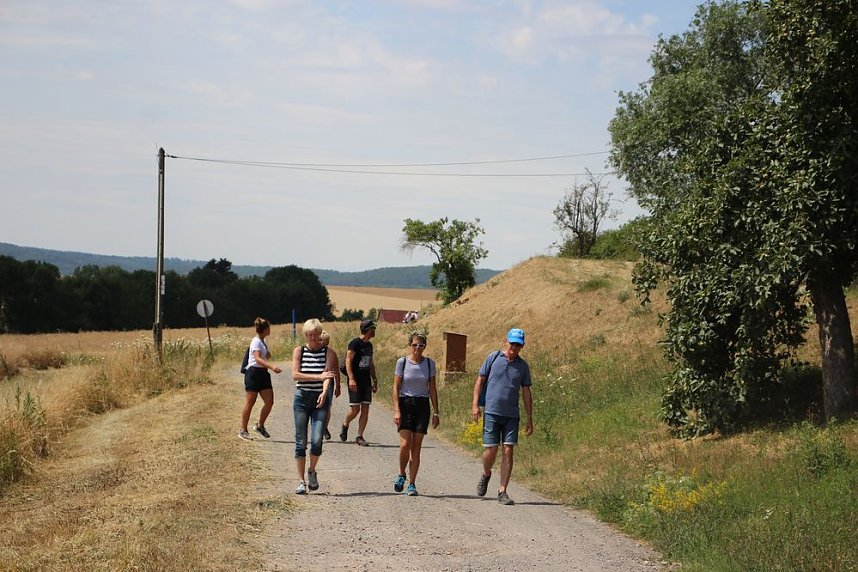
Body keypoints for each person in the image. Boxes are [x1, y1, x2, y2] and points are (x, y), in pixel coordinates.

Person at [472, 328, 533, 505]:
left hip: (511, 416)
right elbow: (480, 381)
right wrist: (475, 405)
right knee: (491, 450)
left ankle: (502, 491)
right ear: (505, 341)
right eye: (512, 343)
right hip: (491, 412)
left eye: (518, 344)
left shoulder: (522, 366)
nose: (514, 347)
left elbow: (526, 392)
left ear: (522, 346)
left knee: (508, 449)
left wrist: (530, 418)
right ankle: (486, 473)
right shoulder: (493, 358)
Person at [290, 319, 336, 494]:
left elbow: (328, 375)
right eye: (309, 334)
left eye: (315, 334)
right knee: (300, 441)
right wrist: (318, 377)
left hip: (320, 400)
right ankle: (301, 481)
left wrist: (325, 392)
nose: (312, 337)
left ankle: (312, 471)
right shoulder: (299, 351)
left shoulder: (329, 353)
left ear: (320, 334)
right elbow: (295, 375)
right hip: (302, 398)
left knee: (317, 440)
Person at [392, 333, 439, 496]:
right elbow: (396, 387)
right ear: (410, 345)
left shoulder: (429, 364)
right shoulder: (402, 362)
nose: (417, 348)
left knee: (416, 447)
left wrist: (436, 411)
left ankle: (412, 483)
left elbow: (432, 388)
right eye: (414, 345)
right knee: (405, 444)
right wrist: (396, 409)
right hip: (406, 403)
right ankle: (401, 474)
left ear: (425, 346)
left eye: (421, 345)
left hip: (422, 405)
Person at [239, 317, 282, 440]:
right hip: (254, 373)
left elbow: (265, 355)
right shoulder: (256, 341)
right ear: (265, 329)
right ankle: (243, 430)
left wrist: (267, 354)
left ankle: (260, 425)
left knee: (269, 402)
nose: (270, 329)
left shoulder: (263, 341)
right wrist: (272, 367)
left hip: (263, 374)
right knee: (250, 402)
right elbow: (257, 358)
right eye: (269, 327)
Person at [339, 318, 378, 446]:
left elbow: (370, 363)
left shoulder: (369, 345)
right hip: (355, 381)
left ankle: (360, 436)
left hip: (366, 382)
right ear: (368, 330)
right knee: (355, 410)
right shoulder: (354, 343)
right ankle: (345, 424)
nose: (374, 331)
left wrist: (374, 379)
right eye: (373, 328)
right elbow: (348, 361)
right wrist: (351, 378)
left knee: (365, 409)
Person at [319, 330, 341, 440]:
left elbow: (336, 370)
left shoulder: (331, 353)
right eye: (321, 340)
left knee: (327, 407)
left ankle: (324, 427)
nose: (323, 343)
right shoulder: (314, 352)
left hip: (329, 383)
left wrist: (338, 386)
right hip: (316, 381)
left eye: (325, 341)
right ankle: (319, 427)